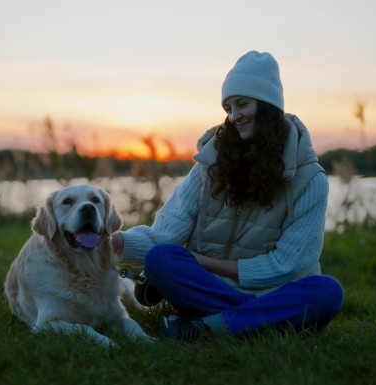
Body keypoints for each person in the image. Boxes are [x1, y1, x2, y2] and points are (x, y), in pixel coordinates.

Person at [111, 51, 344, 341]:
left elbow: (287, 265)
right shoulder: (210, 166)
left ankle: (207, 327)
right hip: (209, 289)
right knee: (161, 259)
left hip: (275, 290)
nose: (234, 117)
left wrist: (202, 261)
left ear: (269, 106)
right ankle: (260, 321)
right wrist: (115, 242)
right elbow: (166, 234)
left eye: (242, 105)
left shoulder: (311, 180)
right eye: (229, 108)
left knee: (327, 291)